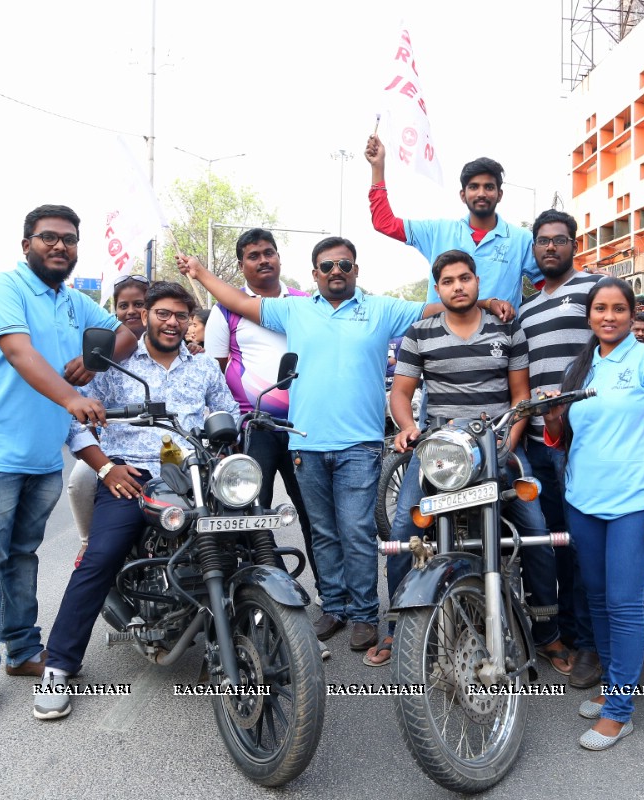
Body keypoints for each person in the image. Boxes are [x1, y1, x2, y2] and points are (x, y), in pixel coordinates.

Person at [178, 238, 446, 652]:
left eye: (344, 264)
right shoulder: (295, 310)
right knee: (321, 531)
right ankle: (335, 606)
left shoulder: (382, 309)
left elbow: (439, 306)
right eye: (327, 266)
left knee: (355, 531)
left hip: (360, 443)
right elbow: (237, 300)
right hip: (306, 443)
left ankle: (362, 614)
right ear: (314, 273)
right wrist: (200, 272)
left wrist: (486, 303)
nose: (336, 271)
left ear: (356, 270)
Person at [0, 204, 137, 724]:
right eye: (49, 237)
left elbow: (126, 333)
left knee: (23, 555)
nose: (60, 246)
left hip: (39, 456)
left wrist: (95, 359)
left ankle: (23, 652)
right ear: (26, 243)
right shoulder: (1, 288)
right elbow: (19, 353)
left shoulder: (74, 303)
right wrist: (73, 397)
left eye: (69, 240)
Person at [35, 281, 238, 719]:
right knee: (100, 556)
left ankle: (275, 628)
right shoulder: (112, 366)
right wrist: (107, 467)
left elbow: (229, 414)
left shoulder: (203, 368)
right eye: (163, 313)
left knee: (245, 536)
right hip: (134, 474)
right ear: (145, 316)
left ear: (189, 322)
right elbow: (77, 423)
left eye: (181, 315)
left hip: (194, 473)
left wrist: (229, 437)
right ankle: (58, 667)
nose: (172, 322)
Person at [367, 250, 564, 671]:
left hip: (497, 444)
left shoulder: (506, 328)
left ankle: (548, 631)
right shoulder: (421, 332)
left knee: (536, 530)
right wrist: (406, 427)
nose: (458, 286)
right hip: (439, 450)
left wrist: (508, 444)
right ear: (437, 289)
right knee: (404, 532)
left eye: (465, 278)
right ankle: (398, 627)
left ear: (477, 282)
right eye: (448, 281)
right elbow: (401, 394)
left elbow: (519, 398)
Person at [540, 277, 644, 750]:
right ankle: (611, 693)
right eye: (600, 308)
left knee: (624, 607)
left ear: (632, 314)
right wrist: (552, 422)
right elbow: (565, 440)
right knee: (598, 600)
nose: (609, 316)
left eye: (618, 309)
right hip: (584, 502)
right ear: (589, 316)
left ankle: (620, 712)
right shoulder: (580, 368)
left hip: (635, 504)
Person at [516, 209, 602, 689]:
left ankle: (588, 643)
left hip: (585, 440)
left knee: (585, 543)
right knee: (551, 545)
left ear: (574, 244)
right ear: (534, 249)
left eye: (559, 240)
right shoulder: (526, 310)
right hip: (536, 442)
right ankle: (557, 632)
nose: (551, 247)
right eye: (543, 241)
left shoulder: (595, 290)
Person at [202, 228, 317, 586]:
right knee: (254, 516)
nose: (263, 260)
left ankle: (332, 598)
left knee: (315, 516)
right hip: (253, 429)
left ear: (279, 258)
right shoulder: (225, 312)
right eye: (254, 256)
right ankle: (274, 591)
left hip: (303, 427)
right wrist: (226, 432)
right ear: (241, 265)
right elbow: (213, 375)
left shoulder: (305, 302)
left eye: (269, 252)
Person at [365, 135, 541, 313]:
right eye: (473, 187)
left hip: (501, 337)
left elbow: (549, 285)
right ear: (462, 195)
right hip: (443, 337)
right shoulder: (438, 231)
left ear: (500, 194)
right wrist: (377, 167)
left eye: (489, 187)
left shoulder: (522, 240)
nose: (481, 193)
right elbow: (383, 222)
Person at [66, 275, 149, 568]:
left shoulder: (177, 348)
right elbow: (79, 409)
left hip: (164, 450)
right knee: (79, 480)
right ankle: (89, 542)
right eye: (122, 305)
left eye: (138, 304)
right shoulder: (101, 357)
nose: (130, 311)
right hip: (111, 450)